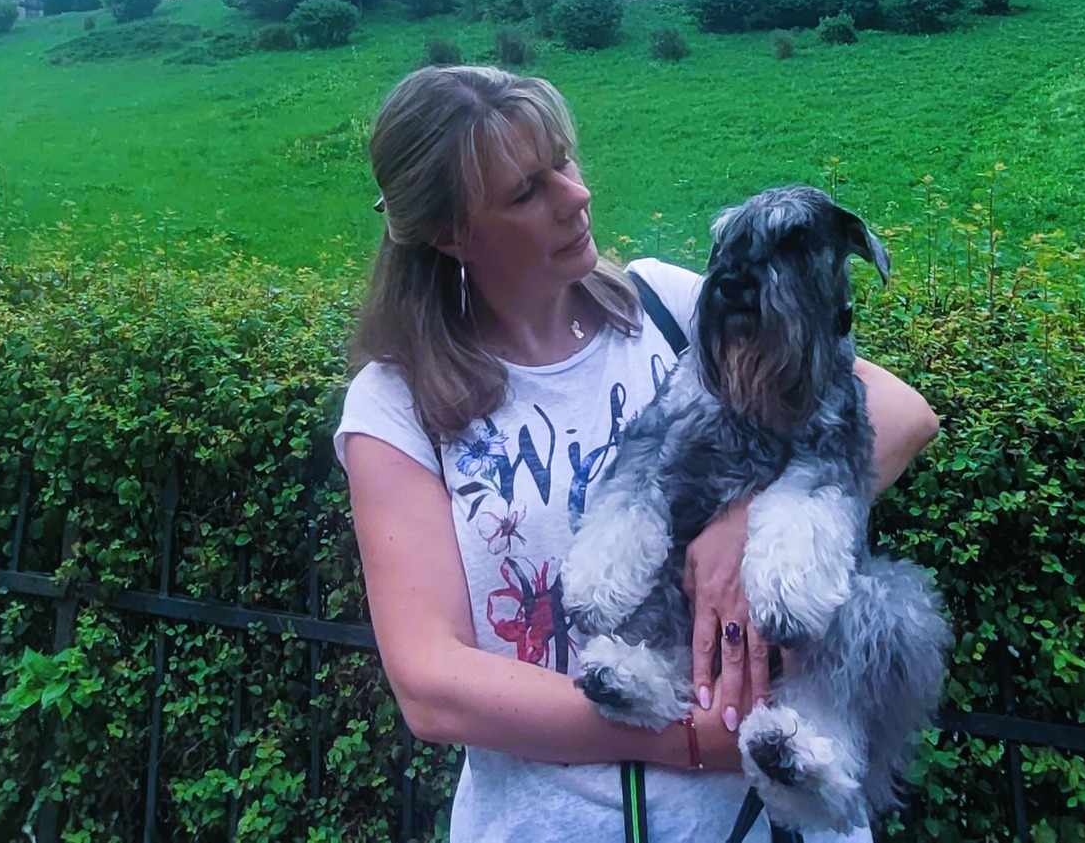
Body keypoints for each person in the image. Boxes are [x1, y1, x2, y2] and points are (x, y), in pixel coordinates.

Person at [338, 66, 940, 841]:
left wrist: (741, 523)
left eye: (565, 159)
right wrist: (693, 738)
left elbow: (898, 411)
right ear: (451, 232)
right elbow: (433, 686)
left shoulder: (669, 308)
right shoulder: (398, 404)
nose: (575, 194)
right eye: (527, 191)